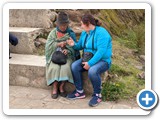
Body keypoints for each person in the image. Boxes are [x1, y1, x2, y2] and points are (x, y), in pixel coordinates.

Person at [67, 14, 112, 107]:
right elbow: (80, 46)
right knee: (74, 66)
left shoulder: (102, 33)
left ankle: (97, 95)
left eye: (82, 24)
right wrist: (73, 44)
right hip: (88, 57)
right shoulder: (85, 33)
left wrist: (90, 63)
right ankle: (79, 92)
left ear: (88, 24)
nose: (81, 26)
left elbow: (101, 52)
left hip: (103, 60)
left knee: (92, 70)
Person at [45, 12, 79, 99]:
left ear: (67, 24)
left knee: (66, 68)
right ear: (57, 24)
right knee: (54, 67)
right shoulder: (53, 33)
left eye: (65, 25)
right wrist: (57, 44)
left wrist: (68, 51)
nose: (63, 27)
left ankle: (61, 87)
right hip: (55, 56)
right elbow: (48, 47)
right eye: (61, 25)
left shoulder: (70, 33)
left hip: (67, 57)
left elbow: (74, 47)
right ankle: (55, 87)